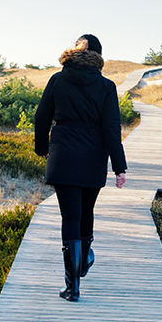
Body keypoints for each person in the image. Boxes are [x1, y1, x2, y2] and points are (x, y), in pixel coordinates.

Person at [34, 34, 128, 301]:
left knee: (70, 217)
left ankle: (73, 286)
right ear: (98, 55)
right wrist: (119, 166)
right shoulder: (106, 86)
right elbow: (111, 128)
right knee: (86, 212)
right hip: (92, 155)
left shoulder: (57, 79)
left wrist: (42, 147)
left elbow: (42, 118)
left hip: (63, 153)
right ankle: (84, 260)